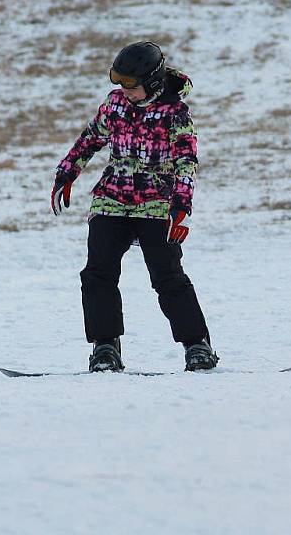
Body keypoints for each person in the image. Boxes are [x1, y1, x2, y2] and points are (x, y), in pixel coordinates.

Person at [50, 41, 218, 373]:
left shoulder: (175, 115)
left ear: (154, 82)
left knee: (167, 276)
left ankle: (197, 345)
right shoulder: (114, 106)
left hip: (156, 203)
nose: (126, 91)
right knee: (98, 273)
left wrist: (181, 206)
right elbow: (90, 139)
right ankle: (105, 347)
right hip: (112, 198)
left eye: (132, 85)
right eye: (120, 83)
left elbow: (186, 162)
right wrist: (66, 173)